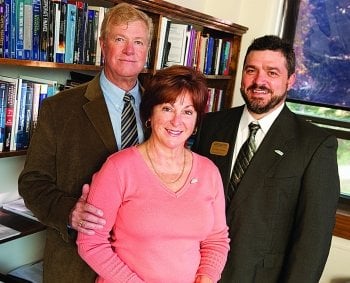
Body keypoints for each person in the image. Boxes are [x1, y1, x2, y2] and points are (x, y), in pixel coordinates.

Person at [18, 3, 153, 282]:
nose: (130, 50)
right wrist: (70, 212)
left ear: (147, 51)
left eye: (138, 42)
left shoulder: (162, 110)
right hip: (76, 268)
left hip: (142, 266)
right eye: (120, 39)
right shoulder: (59, 109)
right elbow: (32, 182)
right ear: (103, 45)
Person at [192, 35, 340, 282]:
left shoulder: (314, 145)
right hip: (195, 269)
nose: (259, 81)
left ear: (290, 80)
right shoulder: (211, 126)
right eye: (252, 70)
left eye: (272, 72)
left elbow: (312, 240)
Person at [76, 65, 230, 283]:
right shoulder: (118, 168)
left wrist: (205, 279)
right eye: (167, 108)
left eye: (187, 112)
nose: (177, 121)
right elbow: (91, 243)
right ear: (150, 113)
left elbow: (216, 239)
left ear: (196, 122)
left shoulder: (209, 172)